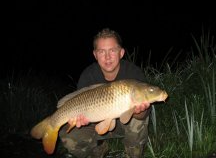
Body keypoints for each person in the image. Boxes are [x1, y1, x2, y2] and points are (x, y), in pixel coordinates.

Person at [59, 28, 151, 158]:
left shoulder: (133, 74)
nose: (107, 57)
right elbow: (81, 113)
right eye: (102, 51)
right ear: (95, 54)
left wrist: (139, 111)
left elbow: (143, 115)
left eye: (112, 50)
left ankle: (133, 154)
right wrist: (80, 120)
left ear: (121, 53)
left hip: (124, 125)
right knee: (68, 136)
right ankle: (97, 150)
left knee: (138, 118)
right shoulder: (88, 75)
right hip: (95, 122)